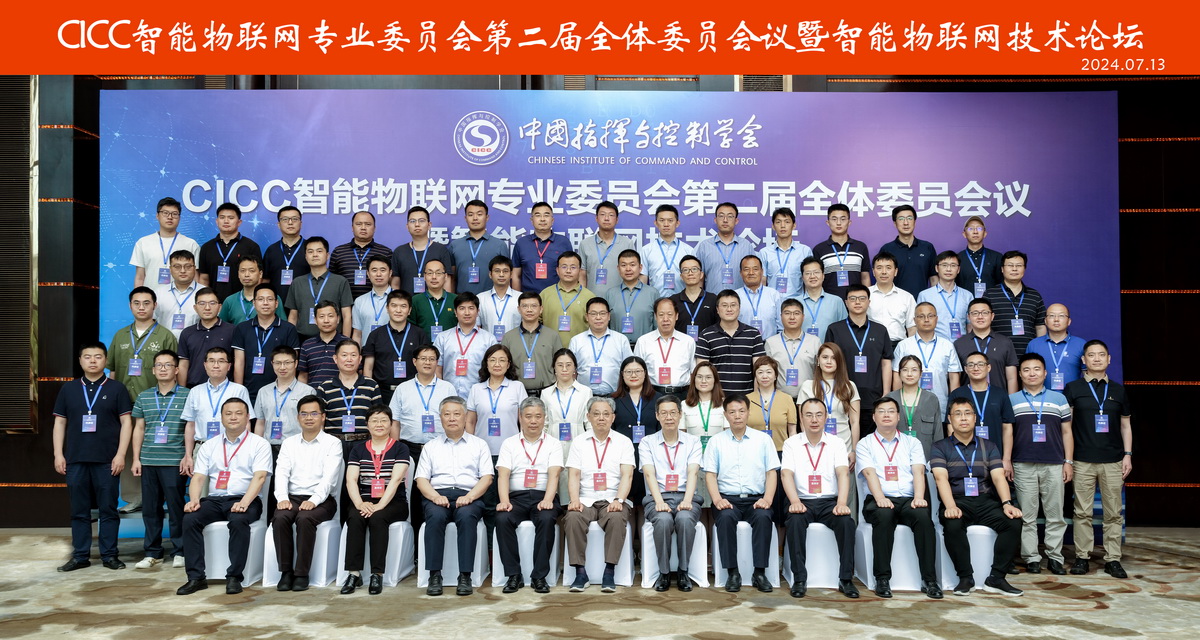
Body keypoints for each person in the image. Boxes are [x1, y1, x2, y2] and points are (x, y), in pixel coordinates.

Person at [176, 397, 273, 595]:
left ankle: (234, 577)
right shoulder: (209, 445)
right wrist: (194, 500)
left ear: (248, 417)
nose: (233, 417)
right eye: (228, 414)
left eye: (238, 413)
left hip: (246, 499)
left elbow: (260, 477)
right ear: (221, 418)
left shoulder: (259, 444)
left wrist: (244, 502)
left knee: (238, 520)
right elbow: (198, 477)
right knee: (190, 518)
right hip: (214, 500)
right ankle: (196, 577)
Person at [931, 397, 1024, 596]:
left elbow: (998, 477)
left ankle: (996, 578)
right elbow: (940, 478)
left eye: (967, 413)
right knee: (953, 524)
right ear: (950, 419)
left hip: (986, 502)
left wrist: (1007, 503)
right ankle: (965, 578)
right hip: (957, 501)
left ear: (975, 418)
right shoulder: (940, 447)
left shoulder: (989, 446)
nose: (963, 418)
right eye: (957, 414)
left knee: (1013, 522)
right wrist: (950, 506)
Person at [53, 342, 133, 572]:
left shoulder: (117, 388)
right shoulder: (69, 389)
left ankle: (109, 555)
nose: (93, 361)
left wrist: (121, 455)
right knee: (79, 511)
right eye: (87, 357)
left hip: (107, 460)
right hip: (75, 459)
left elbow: (126, 423)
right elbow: (59, 423)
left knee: (108, 510)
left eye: (98, 357)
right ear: (80, 361)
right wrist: (58, 454)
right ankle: (80, 556)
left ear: (105, 361)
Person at [856, 397, 941, 599]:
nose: (886, 415)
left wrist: (919, 497)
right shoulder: (865, 443)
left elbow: (918, 471)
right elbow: (869, 473)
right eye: (881, 411)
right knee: (884, 516)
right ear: (874, 417)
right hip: (878, 499)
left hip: (908, 500)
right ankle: (882, 579)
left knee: (923, 518)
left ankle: (929, 580)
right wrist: (880, 498)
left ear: (898, 416)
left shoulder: (912, 442)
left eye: (891, 411)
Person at [1063, 340, 1132, 578]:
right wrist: (1068, 460)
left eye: (1101, 355)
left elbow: (1126, 425)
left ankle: (1113, 559)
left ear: (1109, 359)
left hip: (1113, 460)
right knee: (1082, 512)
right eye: (1091, 355)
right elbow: (1067, 428)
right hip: (1082, 460)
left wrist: (1128, 455)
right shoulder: (1073, 388)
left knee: (1113, 513)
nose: (1096, 359)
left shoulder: (1118, 390)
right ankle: (1082, 557)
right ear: (1084, 360)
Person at [415, 396, 494, 596]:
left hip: (469, 496)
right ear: (440, 418)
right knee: (435, 517)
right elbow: (421, 480)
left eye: (457, 414)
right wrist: (435, 497)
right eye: (447, 414)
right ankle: (434, 575)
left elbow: (487, 478)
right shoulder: (431, 446)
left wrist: (470, 496)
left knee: (467, 517)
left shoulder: (479, 445)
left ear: (465, 416)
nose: (452, 418)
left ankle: (465, 575)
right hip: (437, 495)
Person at [780, 399, 857, 599]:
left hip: (829, 502)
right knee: (794, 522)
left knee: (846, 523)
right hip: (801, 500)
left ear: (826, 417)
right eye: (809, 415)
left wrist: (841, 503)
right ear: (801, 418)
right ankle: (799, 579)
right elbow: (786, 474)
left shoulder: (836, 443)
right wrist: (794, 501)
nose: (814, 420)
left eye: (818, 415)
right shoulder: (791, 443)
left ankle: (846, 579)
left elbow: (843, 473)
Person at [111, 287, 178, 513]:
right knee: (130, 450)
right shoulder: (120, 335)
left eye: (146, 303)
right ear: (130, 306)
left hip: (156, 404)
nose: (141, 307)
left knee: (158, 448)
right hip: (125, 404)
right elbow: (113, 371)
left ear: (154, 306)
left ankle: (162, 497)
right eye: (137, 303)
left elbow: (174, 369)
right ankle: (133, 497)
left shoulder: (166, 336)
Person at [704, 394, 779, 592]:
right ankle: (733, 573)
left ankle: (759, 573)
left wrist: (767, 499)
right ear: (725, 415)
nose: (737, 416)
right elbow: (710, 475)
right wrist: (717, 500)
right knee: (726, 517)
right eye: (732, 412)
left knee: (763, 517)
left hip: (756, 499)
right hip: (727, 499)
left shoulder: (763, 440)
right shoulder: (716, 442)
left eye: (741, 411)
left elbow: (771, 473)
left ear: (748, 412)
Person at [1006, 353, 1073, 576]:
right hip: (1023, 464)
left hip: (1054, 463)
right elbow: (1008, 434)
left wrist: (1068, 462)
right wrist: (1008, 461)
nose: (1031, 373)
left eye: (1036, 369)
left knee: (1055, 514)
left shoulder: (1059, 399)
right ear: (1020, 374)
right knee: (1028, 516)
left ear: (1045, 373)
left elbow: (1067, 432)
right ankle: (1031, 557)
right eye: (1026, 370)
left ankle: (1055, 557)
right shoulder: (1012, 400)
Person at [271, 395, 344, 592]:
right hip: (293, 497)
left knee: (305, 518)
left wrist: (314, 500)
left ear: (323, 417)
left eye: (314, 413)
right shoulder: (289, 443)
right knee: (280, 517)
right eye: (304, 414)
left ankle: (302, 573)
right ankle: (286, 572)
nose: (309, 418)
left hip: (323, 500)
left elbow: (329, 478)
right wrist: (282, 498)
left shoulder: (333, 443)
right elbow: (281, 472)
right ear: (298, 417)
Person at [563, 397, 636, 593]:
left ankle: (609, 572)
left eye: (606, 414)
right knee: (572, 517)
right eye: (596, 414)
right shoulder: (579, 442)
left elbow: (627, 475)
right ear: (588, 417)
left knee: (616, 518)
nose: (601, 418)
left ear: (613, 417)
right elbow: (573, 475)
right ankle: (580, 573)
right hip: (585, 498)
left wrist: (619, 500)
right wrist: (574, 500)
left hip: (612, 498)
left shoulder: (623, 442)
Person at [495, 397, 565, 594]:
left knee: (547, 517)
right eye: (528, 416)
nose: (533, 421)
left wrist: (548, 500)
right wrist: (504, 501)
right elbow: (503, 475)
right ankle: (513, 575)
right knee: (502, 518)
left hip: (544, 496)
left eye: (538, 416)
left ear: (544, 418)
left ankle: (539, 576)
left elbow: (554, 474)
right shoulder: (509, 443)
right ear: (520, 417)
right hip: (516, 498)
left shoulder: (553, 443)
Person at [341, 404, 411, 595]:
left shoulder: (400, 448)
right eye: (374, 420)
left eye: (383, 420)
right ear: (367, 424)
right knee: (355, 517)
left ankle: (377, 574)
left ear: (391, 424)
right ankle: (354, 574)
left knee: (378, 518)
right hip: (364, 498)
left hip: (394, 500)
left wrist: (380, 505)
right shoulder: (358, 449)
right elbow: (351, 480)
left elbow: (396, 480)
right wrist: (359, 504)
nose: (379, 424)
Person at [388, 344, 456, 536]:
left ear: (437, 362)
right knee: (413, 494)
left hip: (439, 448)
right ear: (414, 362)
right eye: (423, 358)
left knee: (438, 491)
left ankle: (436, 536)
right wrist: (396, 449)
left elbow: (455, 419)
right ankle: (416, 542)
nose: (428, 362)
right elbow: (395, 422)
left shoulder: (447, 388)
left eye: (432, 359)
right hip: (410, 449)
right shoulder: (403, 389)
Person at [131, 350, 189, 569]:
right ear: (153, 370)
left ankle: (180, 551)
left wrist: (188, 455)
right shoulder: (144, 396)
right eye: (159, 365)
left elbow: (190, 428)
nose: (163, 369)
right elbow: (139, 428)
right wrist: (136, 459)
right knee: (150, 509)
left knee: (176, 508)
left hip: (174, 461)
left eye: (168, 365)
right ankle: (152, 552)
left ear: (177, 370)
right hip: (149, 460)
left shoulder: (187, 395)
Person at [640, 395, 704, 592]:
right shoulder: (647, 442)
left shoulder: (693, 441)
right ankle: (664, 572)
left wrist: (687, 500)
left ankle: (683, 571)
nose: (669, 417)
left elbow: (693, 472)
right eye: (664, 413)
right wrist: (659, 501)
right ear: (657, 416)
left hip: (686, 496)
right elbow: (649, 474)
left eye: (673, 413)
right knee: (663, 520)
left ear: (680, 414)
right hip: (657, 497)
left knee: (684, 519)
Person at [798, 343, 861, 513]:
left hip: (844, 446)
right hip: (816, 449)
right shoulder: (808, 386)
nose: (829, 361)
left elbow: (855, 421)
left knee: (846, 495)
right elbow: (803, 421)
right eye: (825, 357)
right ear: (818, 361)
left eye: (834, 358)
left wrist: (854, 450)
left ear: (839, 362)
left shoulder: (849, 386)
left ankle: (848, 526)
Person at [825, 284, 894, 436]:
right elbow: (828, 363)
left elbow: (886, 362)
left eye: (862, 298)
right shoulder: (834, 329)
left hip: (874, 398)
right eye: (853, 299)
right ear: (846, 302)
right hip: (843, 397)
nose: (857, 302)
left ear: (869, 302)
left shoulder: (880, 330)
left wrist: (886, 392)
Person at [231, 284, 301, 403]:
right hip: (249, 391)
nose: (265, 303)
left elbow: (292, 363)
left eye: (269, 299)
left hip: (280, 392)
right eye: (261, 299)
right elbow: (239, 362)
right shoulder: (242, 328)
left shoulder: (288, 329)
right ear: (254, 303)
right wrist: (239, 392)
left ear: (276, 303)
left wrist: (289, 390)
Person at [180, 347, 251, 463]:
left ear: (229, 366)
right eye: (211, 361)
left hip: (232, 449)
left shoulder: (239, 390)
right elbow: (190, 425)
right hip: (202, 448)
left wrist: (244, 450)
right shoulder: (195, 391)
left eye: (221, 361)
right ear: (205, 365)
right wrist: (188, 455)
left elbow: (246, 423)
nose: (216, 365)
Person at [541, 348, 594, 502]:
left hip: (578, 440)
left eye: (568, 365)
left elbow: (589, 422)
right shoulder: (546, 393)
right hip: (553, 441)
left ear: (575, 368)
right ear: (554, 368)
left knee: (575, 476)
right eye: (560, 365)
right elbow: (544, 423)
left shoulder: (585, 391)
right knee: (555, 477)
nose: (564, 369)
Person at [892, 302, 962, 416]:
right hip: (909, 407)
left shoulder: (947, 345)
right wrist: (898, 406)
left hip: (941, 406)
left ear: (936, 319)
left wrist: (954, 409)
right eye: (921, 316)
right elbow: (897, 377)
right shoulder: (903, 345)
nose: (926, 320)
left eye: (930, 316)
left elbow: (954, 378)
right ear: (914, 320)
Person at [316, 340, 383, 459]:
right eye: (344, 355)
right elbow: (320, 421)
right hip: (333, 444)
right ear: (335, 359)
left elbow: (379, 418)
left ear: (360, 359)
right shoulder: (325, 387)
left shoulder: (371, 385)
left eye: (353, 355)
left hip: (365, 444)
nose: (349, 359)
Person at [362, 290, 431, 402]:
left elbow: (426, 364)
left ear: (409, 310)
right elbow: (368, 367)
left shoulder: (419, 334)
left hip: (413, 392)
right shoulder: (375, 335)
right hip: (382, 392)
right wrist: (370, 392)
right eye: (394, 306)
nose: (398, 310)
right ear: (387, 308)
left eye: (403, 306)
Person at [694, 289, 766, 395]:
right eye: (724, 305)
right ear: (717, 309)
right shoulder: (706, 335)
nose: (729, 309)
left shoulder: (753, 334)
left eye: (733, 305)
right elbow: (702, 371)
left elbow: (759, 370)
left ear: (739, 308)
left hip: (746, 398)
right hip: (717, 398)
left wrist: (755, 398)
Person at [611, 356, 660, 504]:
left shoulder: (658, 399)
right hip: (622, 456)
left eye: (638, 371)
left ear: (645, 373)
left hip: (651, 456)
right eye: (628, 372)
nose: (633, 375)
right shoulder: (613, 400)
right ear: (622, 375)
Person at [467, 344, 529, 458]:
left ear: (508, 364)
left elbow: (523, 420)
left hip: (512, 451)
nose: (497, 364)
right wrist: (470, 447)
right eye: (492, 360)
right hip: (481, 451)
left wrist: (523, 446)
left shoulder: (517, 387)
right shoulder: (476, 389)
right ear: (486, 364)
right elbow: (470, 422)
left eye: (502, 360)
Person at [285, 236, 353, 341]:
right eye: (310, 252)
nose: (315, 255)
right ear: (306, 256)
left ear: (327, 255)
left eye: (319, 251)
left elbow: (347, 315)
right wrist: (291, 342)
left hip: (334, 340)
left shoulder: (340, 281)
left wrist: (346, 343)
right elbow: (293, 316)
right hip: (302, 339)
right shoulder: (297, 282)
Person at [434, 292, 497, 398]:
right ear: (455, 312)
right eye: (462, 308)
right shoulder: (442, 338)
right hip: (448, 397)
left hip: (479, 397)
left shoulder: (489, 339)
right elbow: (437, 369)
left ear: (478, 312)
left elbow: (493, 371)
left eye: (471, 308)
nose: (467, 313)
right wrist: (441, 394)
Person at [196, 202, 263, 303]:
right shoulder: (207, 247)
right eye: (222, 217)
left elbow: (258, 279)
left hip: (242, 303)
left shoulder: (251, 247)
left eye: (231, 218)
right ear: (217, 221)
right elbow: (204, 279)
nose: (226, 221)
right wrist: (207, 302)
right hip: (214, 304)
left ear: (239, 222)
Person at [983, 250, 1047, 355]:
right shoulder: (990, 294)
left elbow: (1040, 327)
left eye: (1019, 265)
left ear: (1024, 268)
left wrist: (1039, 352)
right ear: (1002, 269)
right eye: (1010, 265)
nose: (1014, 269)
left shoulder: (1035, 295)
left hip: (1028, 355)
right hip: (997, 354)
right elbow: (983, 325)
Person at [500, 292, 563, 397]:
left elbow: (560, 365)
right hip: (516, 394)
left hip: (547, 393)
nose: (529, 310)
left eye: (534, 306)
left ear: (541, 309)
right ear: (519, 309)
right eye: (525, 306)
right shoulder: (508, 337)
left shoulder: (552, 336)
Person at [130, 196, 201, 288]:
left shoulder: (191, 244)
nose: (170, 217)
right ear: (157, 216)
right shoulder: (143, 243)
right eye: (165, 213)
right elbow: (140, 277)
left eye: (174, 214)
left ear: (179, 218)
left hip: (181, 296)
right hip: (151, 295)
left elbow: (195, 278)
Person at [567, 297, 632, 397]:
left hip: (615, 396)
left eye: (602, 313)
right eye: (593, 314)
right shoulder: (576, 341)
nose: (598, 317)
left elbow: (630, 368)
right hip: (583, 397)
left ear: (609, 316)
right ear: (587, 317)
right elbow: (570, 370)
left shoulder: (621, 340)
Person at [946, 351, 1014, 444]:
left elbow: (1007, 428)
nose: (976, 368)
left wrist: (1006, 454)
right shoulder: (957, 394)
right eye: (971, 365)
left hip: (995, 450)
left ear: (988, 367)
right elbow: (950, 426)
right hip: (964, 451)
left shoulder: (1001, 394)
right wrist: (955, 450)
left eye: (980, 364)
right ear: (965, 369)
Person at [253, 345, 315, 447]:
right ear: (272, 364)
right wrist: (257, 447)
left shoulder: (307, 392)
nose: (282, 367)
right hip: (268, 448)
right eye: (277, 363)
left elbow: (312, 424)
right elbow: (260, 423)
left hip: (297, 448)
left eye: (287, 363)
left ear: (295, 363)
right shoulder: (263, 391)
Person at [954, 298, 1018, 393]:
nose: (980, 317)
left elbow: (1011, 378)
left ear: (992, 316)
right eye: (975, 313)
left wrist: (1011, 400)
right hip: (967, 399)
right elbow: (955, 379)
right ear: (969, 317)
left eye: (985, 313)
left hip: (998, 399)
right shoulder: (959, 344)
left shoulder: (1005, 342)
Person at [446, 200, 510, 295]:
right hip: (462, 300)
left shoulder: (499, 245)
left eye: (479, 214)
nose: (475, 218)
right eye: (470, 214)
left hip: (491, 300)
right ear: (465, 218)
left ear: (487, 217)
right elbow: (451, 278)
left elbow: (506, 277)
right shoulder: (455, 245)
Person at [634, 297, 696, 397]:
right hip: (652, 394)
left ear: (676, 316)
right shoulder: (643, 341)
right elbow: (637, 371)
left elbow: (694, 372)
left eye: (670, 314)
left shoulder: (688, 341)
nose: (665, 319)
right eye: (661, 315)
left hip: (682, 394)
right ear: (655, 316)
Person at [887, 355, 945, 461]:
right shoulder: (890, 399)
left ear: (921, 373)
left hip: (925, 460)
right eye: (905, 370)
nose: (909, 374)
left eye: (914, 370)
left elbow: (938, 434)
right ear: (899, 373)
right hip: (895, 460)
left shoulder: (931, 399)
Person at [176, 287, 236, 388]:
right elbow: (183, 365)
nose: (207, 308)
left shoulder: (232, 330)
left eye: (212, 303)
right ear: (195, 307)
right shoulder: (187, 333)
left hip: (225, 388)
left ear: (219, 307)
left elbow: (238, 362)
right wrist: (182, 391)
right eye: (202, 303)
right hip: (193, 387)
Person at [811, 203, 871, 299]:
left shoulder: (860, 247)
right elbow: (816, 280)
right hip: (829, 302)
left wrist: (866, 299)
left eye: (843, 219)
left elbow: (865, 277)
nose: (838, 223)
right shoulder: (819, 249)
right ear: (828, 222)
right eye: (834, 219)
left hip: (856, 302)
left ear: (849, 222)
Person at [579, 200, 638, 298]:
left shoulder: (627, 243)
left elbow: (632, 273)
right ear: (596, 218)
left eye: (611, 215)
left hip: (620, 299)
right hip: (593, 299)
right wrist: (583, 297)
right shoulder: (585, 244)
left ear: (617, 220)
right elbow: (582, 274)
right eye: (602, 214)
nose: (606, 218)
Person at [695, 202, 756, 294]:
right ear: (715, 220)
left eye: (730, 216)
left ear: (736, 221)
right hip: (712, 300)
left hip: (740, 300)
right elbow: (699, 278)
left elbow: (754, 276)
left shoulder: (746, 246)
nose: (725, 220)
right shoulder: (704, 246)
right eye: (721, 216)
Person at [331, 210, 394, 300]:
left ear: (374, 228)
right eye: (359, 224)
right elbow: (332, 281)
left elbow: (391, 281)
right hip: (344, 304)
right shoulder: (338, 251)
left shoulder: (385, 252)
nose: (363, 228)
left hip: (377, 304)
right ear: (352, 227)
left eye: (368, 224)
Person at [511, 201, 573, 292]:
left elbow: (571, 273)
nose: (542, 219)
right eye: (538, 215)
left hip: (557, 296)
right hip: (529, 298)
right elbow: (516, 275)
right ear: (532, 220)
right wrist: (518, 297)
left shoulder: (564, 242)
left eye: (546, 215)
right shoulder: (521, 243)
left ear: (552, 220)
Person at [391, 206, 452, 297]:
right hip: (406, 304)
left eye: (421, 221)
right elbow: (395, 284)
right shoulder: (399, 252)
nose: (417, 224)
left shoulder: (441, 250)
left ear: (429, 225)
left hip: (434, 304)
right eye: (412, 221)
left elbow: (447, 282)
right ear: (407, 226)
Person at [765, 298, 819, 400]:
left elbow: (819, 372)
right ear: (781, 316)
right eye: (787, 313)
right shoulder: (771, 342)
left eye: (796, 313)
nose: (792, 317)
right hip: (779, 400)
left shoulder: (815, 342)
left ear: (803, 317)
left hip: (809, 399)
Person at [877, 205, 937, 297]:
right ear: (895, 223)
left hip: (921, 302)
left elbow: (934, 278)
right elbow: (881, 279)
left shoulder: (927, 247)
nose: (906, 223)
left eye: (909, 218)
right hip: (894, 301)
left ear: (915, 222)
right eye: (901, 219)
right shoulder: (887, 249)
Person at [1025, 303, 1087, 391]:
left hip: (1073, 397)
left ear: (1069, 321)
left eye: (1061, 316)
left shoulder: (1081, 344)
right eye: (1051, 316)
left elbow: (1087, 374)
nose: (1056, 319)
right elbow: (1026, 375)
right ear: (1045, 321)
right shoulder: (1034, 344)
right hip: (1040, 397)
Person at [605, 249, 660, 346]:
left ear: (640, 268)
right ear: (618, 268)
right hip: (616, 347)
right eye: (623, 265)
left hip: (645, 347)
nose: (628, 269)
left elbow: (657, 325)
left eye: (632, 265)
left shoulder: (653, 293)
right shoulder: (610, 294)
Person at [540, 251, 594, 346]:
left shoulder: (589, 297)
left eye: (573, 267)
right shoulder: (545, 294)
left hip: (579, 349)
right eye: (564, 267)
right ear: (557, 270)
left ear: (580, 270)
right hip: (549, 348)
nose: (568, 271)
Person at [760, 207, 813, 299]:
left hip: (797, 302)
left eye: (787, 222)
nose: (783, 226)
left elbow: (809, 281)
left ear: (794, 225)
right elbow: (762, 281)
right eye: (778, 222)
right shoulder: (765, 253)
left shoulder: (805, 251)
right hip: (772, 301)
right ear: (773, 226)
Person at [747, 356, 797, 452]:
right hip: (753, 451)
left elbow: (792, 432)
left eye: (769, 372)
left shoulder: (787, 399)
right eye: (760, 372)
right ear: (755, 376)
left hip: (781, 452)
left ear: (775, 375)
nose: (764, 376)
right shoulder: (747, 400)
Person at [642, 204, 693, 296]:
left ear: (677, 223)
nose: (666, 224)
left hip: (682, 301)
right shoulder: (646, 250)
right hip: (656, 300)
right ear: (656, 223)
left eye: (670, 220)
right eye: (662, 220)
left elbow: (694, 279)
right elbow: (643, 279)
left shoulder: (688, 250)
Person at [917, 252, 970, 340]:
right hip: (935, 344)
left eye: (953, 265)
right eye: (944, 265)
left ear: (958, 269)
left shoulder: (967, 296)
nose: (948, 269)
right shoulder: (925, 295)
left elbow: (970, 325)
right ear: (936, 268)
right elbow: (920, 325)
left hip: (961, 344)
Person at [262, 205, 309, 305]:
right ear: (278, 224)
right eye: (285, 219)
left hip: (303, 304)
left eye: (295, 219)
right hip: (275, 306)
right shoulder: (271, 250)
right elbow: (265, 280)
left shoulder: (310, 249)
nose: (290, 222)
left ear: (300, 223)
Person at [867, 252, 917, 345]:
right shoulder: (865, 295)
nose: (884, 272)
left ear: (896, 271)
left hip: (898, 345)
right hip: (870, 345)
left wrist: (910, 348)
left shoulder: (907, 297)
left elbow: (912, 328)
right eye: (879, 268)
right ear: (873, 272)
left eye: (888, 268)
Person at [298, 301, 349, 390]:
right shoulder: (307, 345)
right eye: (321, 316)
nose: (326, 320)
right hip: (314, 395)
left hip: (342, 395)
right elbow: (303, 376)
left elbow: (356, 373)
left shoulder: (348, 344)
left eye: (330, 316)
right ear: (315, 320)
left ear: (338, 319)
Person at [219, 256, 283, 326]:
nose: (246, 275)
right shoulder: (229, 301)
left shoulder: (272, 299)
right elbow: (221, 328)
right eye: (243, 271)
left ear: (260, 274)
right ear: (238, 274)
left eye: (251, 271)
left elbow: (283, 326)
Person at [152, 250, 200, 338]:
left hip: (195, 343)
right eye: (177, 267)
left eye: (188, 266)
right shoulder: (159, 293)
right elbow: (151, 320)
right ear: (170, 269)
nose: (183, 271)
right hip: (164, 343)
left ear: (194, 268)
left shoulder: (205, 293)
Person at [798, 256, 848, 340]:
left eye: (816, 272)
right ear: (802, 278)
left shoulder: (836, 301)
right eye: (808, 273)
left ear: (823, 275)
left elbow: (844, 330)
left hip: (829, 347)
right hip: (801, 348)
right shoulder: (795, 303)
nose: (812, 276)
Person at [669, 255, 719, 340]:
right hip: (681, 347)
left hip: (707, 346)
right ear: (681, 276)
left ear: (701, 274)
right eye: (685, 270)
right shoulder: (673, 301)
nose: (690, 273)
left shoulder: (713, 299)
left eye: (694, 269)